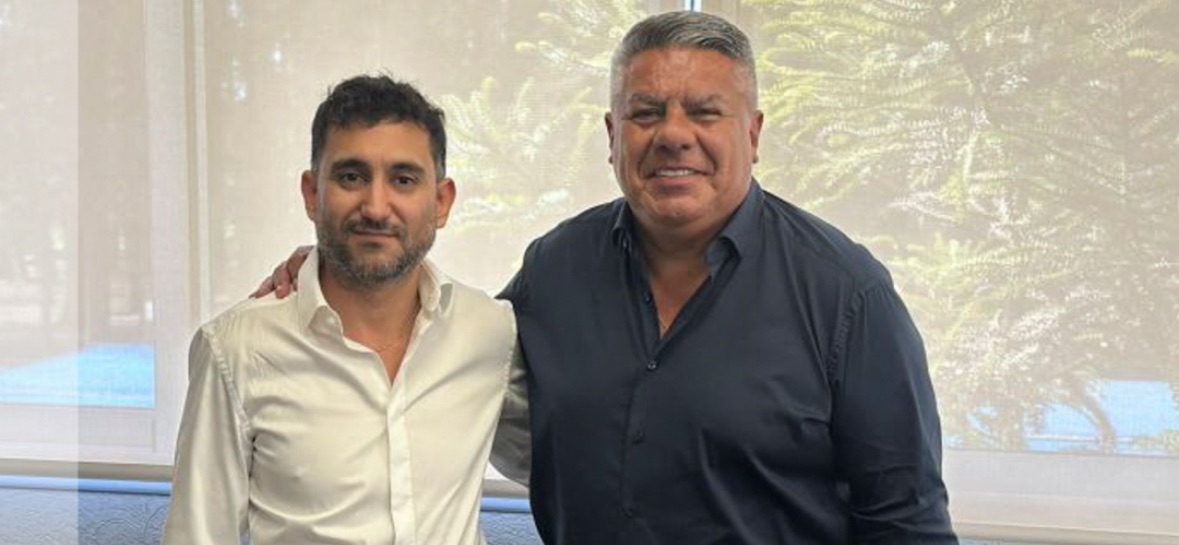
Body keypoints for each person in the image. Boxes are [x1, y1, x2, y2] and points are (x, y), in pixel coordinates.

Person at [257, 11, 957, 544]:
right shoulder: (554, 269)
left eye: (704, 111)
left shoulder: (847, 297)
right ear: (612, 135)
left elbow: (908, 526)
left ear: (752, 133)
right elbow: (434, 350)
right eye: (645, 112)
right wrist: (334, 271)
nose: (672, 134)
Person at [164, 74, 523, 545]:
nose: (376, 207)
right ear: (312, 194)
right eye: (351, 177)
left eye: (403, 179)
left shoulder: (491, 333)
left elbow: (570, 462)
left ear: (441, 201)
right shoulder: (236, 351)